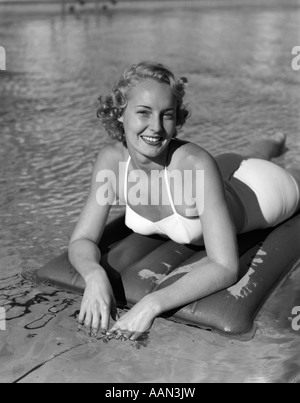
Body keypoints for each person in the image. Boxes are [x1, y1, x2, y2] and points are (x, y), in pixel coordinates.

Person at [69, 62, 300, 341]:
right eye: (143, 112)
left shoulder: (195, 164)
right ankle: (275, 141)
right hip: (218, 174)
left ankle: (278, 150)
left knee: (275, 170)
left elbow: (225, 267)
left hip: (261, 192)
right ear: (120, 114)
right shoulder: (112, 162)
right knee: (246, 153)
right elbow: (81, 240)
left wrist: (150, 304)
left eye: (166, 115)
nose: (155, 127)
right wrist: (94, 276)